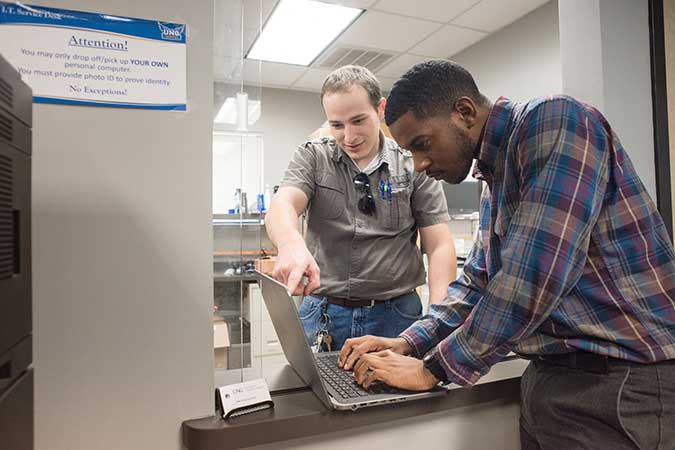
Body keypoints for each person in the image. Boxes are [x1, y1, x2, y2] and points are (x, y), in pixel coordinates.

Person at [338, 60, 675, 449]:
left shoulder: (557, 120)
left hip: (620, 382)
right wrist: (410, 342)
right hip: (552, 380)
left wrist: (433, 369)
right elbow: (479, 279)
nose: (419, 165)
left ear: (464, 113)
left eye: (422, 144)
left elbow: (532, 275)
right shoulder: (493, 175)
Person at [265, 65, 456, 351]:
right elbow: (284, 204)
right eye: (337, 125)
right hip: (324, 314)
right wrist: (290, 243)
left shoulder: (411, 161)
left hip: (396, 316)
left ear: (380, 109)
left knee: (396, 396)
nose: (349, 136)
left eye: (358, 121)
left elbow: (439, 245)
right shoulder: (314, 156)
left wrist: (437, 320)